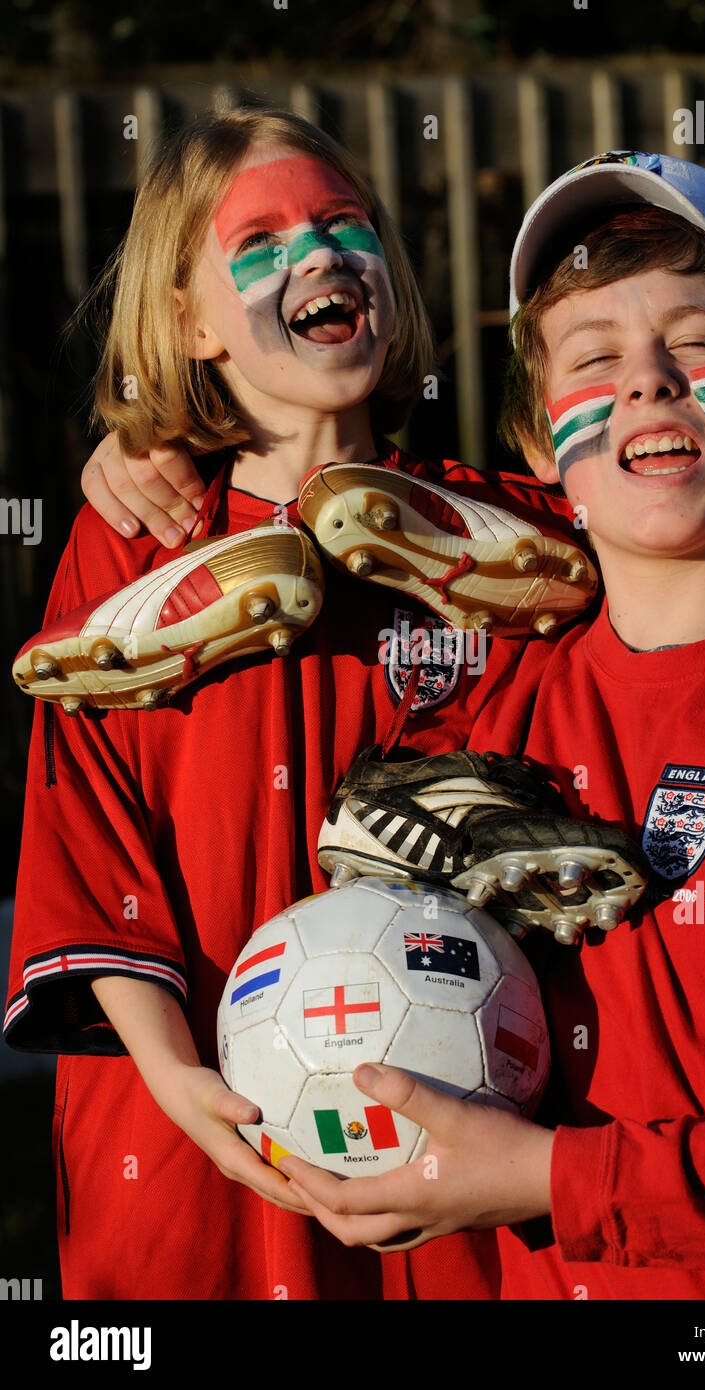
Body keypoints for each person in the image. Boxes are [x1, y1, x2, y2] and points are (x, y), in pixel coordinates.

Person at [7, 106, 605, 1301]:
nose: (321, 257)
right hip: (198, 1113)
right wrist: (177, 1082)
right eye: (265, 241)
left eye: (346, 227)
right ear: (189, 324)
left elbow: (704, 567)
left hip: (463, 1100)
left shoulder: (518, 534)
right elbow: (84, 825)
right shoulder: (132, 540)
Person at [253, 153, 705, 1303]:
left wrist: (552, 1175)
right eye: (594, 360)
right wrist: (132, 446)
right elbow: (256, 501)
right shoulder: (488, 702)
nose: (647, 383)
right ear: (540, 453)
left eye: (694, 341)